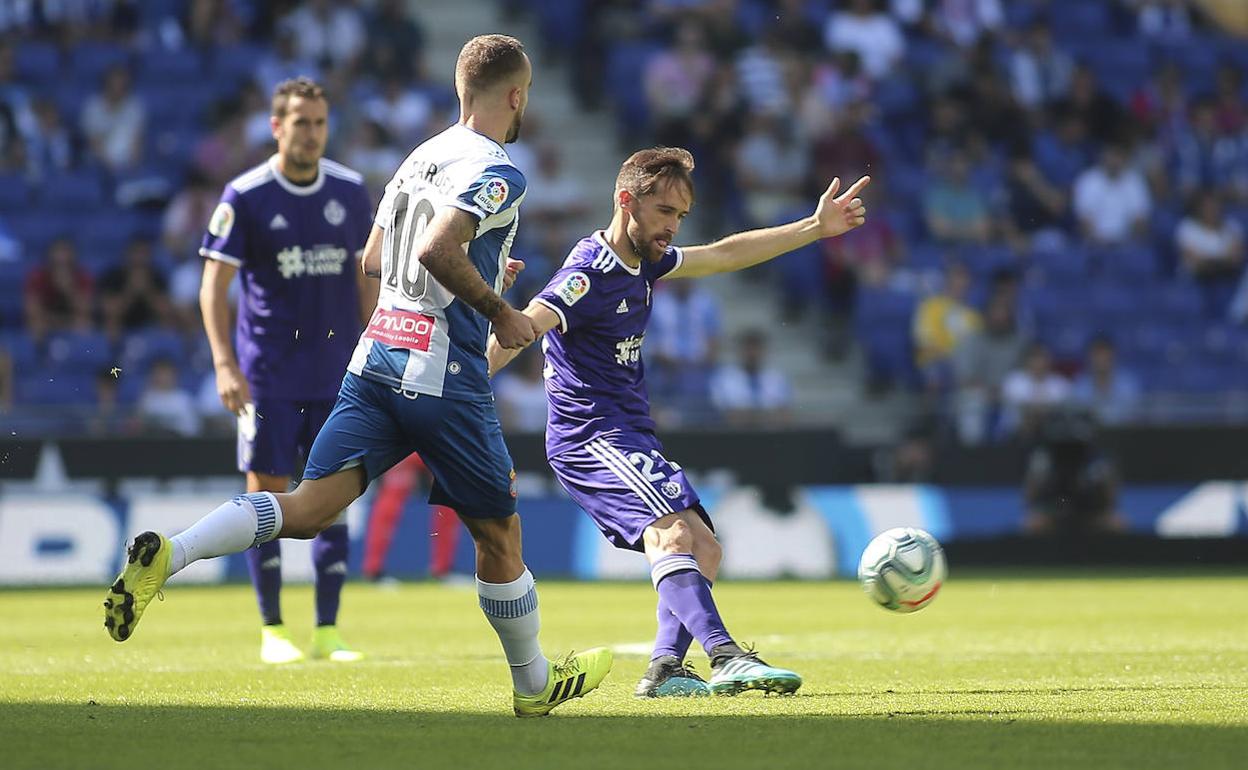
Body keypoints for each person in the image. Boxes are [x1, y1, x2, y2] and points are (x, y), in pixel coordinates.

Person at [104, 35, 611, 718]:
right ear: (517, 96)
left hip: (373, 357)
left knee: (308, 508)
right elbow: (435, 249)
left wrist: (483, 272)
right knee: (499, 535)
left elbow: (375, 258)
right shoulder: (500, 169)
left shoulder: (419, 156)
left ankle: (175, 550)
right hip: (439, 371)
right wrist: (499, 309)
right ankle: (532, 685)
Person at [488, 147, 869, 698]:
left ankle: (665, 666)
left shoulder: (643, 260)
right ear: (626, 201)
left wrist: (813, 227)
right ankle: (725, 655)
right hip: (590, 435)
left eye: (680, 216)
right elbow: (527, 326)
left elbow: (721, 255)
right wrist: (470, 379)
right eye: (664, 211)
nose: (672, 227)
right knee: (671, 533)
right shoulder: (588, 273)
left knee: (706, 548)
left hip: (627, 432)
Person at [193, 77, 377, 665]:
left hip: (337, 375)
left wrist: (375, 347)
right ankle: (273, 629)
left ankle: (328, 629)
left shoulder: (349, 191)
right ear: (277, 127)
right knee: (266, 496)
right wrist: (225, 363)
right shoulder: (245, 195)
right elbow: (213, 286)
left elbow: (363, 279)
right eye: (301, 123)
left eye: (320, 123)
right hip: (268, 376)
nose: (312, 133)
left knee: (332, 500)